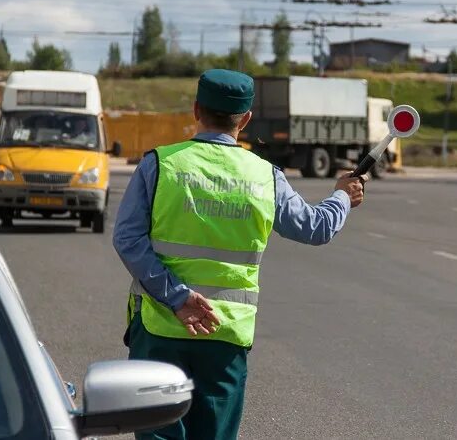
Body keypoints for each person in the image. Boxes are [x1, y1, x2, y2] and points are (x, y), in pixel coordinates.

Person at [113, 69, 367, 440]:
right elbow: (316, 227)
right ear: (245, 119)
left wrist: (178, 298)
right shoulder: (265, 175)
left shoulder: (160, 163)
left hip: (159, 327)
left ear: (196, 109)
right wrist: (343, 195)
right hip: (225, 333)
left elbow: (128, 240)